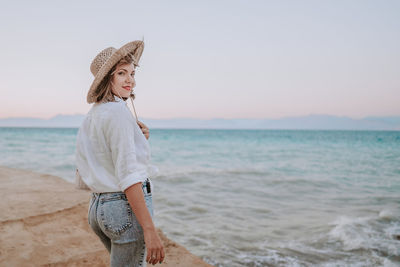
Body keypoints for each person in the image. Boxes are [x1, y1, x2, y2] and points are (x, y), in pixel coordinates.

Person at [75, 40, 165, 266]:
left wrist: (137, 140)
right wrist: (150, 230)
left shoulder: (94, 113)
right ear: (108, 78)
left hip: (98, 207)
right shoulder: (117, 113)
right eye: (121, 73)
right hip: (122, 209)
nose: (130, 80)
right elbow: (128, 176)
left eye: (132, 73)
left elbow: (96, 159)